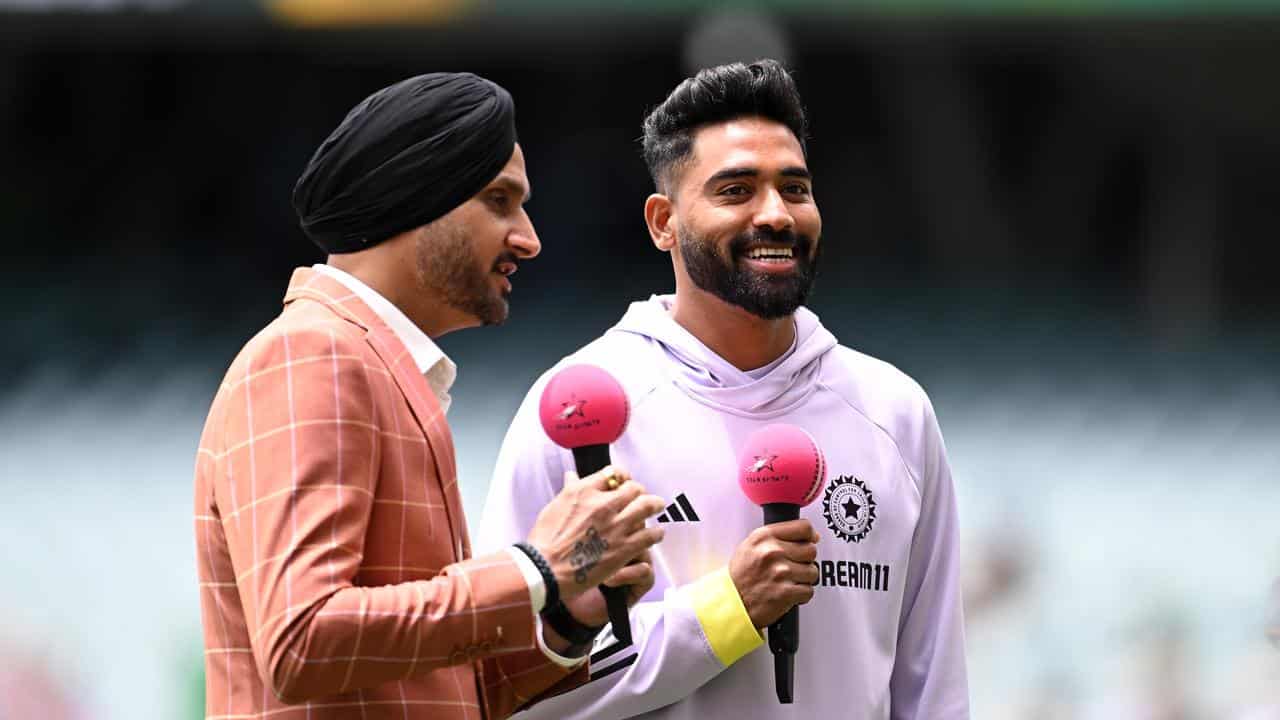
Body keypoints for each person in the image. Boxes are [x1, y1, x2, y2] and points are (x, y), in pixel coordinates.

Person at [478, 59, 969, 719]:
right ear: (663, 222)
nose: (775, 214)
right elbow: (499, 687)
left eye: (794, 189)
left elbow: (932, 686)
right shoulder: (576, 412)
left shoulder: (895, 413)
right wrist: (727, 611)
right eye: (736, 190)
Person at [193, 72, 666, 720]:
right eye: (500, 201)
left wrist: (564, 618)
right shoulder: (313, 355)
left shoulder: (364, 364)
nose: (529, 238)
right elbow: (301, 642)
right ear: (413, 198)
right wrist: (535, 568)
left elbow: (435, 693)